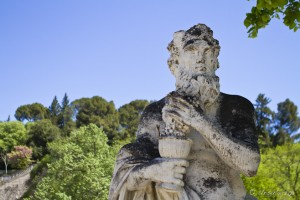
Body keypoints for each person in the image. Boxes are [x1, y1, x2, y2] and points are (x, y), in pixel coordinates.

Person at [109, 24, 260, 200]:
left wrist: (198, 120)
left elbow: (250, 165)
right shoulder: (156, 112)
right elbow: (130, 168)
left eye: (207, 51)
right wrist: (153, 170)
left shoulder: (235, 106)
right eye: (192, 50)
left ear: (215, 59)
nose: (200, 58)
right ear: (176, 61)